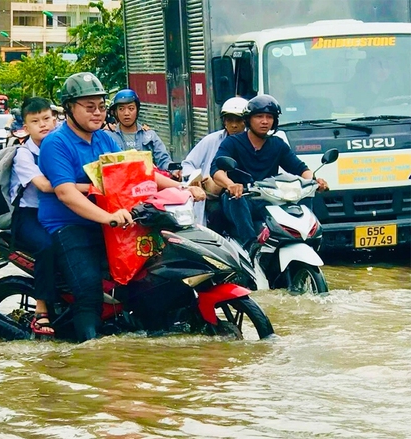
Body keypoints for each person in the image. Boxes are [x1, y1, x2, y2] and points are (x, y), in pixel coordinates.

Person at [38, 72, 205, 342]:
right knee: (89, 292)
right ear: (69, 108)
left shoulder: (105, 140)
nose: (97, 113)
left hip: (114, 221)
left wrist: (181, 188)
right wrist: (108, 217)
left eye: (101, 107)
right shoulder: (55, 143)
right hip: (70, 226)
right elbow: (66, 193)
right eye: (89, 107)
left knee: (152, 277)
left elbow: (140, 173)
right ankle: (90, 353)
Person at [9, 97, 89, 336]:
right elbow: (44, 186)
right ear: (26, 127)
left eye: (46, 118)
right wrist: (90, 188)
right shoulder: (23, 155)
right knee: (47, 245)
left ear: (55, 119)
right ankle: (41, 310)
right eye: (35, 121)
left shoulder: (63, 144)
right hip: (29, 215)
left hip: (62, 210)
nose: (43, 125)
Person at [210, 95, 329, 255]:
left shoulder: (278, 145)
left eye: (269, 117)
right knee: (236, 198)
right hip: (241, 199)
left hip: (269, 199)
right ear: (248, 120)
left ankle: (308, 240)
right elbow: (216, 170)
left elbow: (300, 168)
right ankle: (250, 245)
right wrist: (230, 184)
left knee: (306, 196)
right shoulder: (232, 143)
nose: (265, 121)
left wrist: (314, 181)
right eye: (259, 116)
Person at [181, 97, 248, 226]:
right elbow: (188, 163)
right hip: (216, 196)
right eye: (230, 120)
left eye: (238, 120)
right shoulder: (211, 140)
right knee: (216, 215)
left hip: (245, 194)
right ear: (224, 121)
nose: (234, 125)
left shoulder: (253, 143)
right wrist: (195, 179)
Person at [107, 89, 173, 172]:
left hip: (147, 183)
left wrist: (175, 170)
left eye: (131, 108)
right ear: (116, 112)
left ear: (137, 110)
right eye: (121, 109)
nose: (126, 113)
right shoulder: (107, 136)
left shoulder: (150, 135)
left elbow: (164, 161)